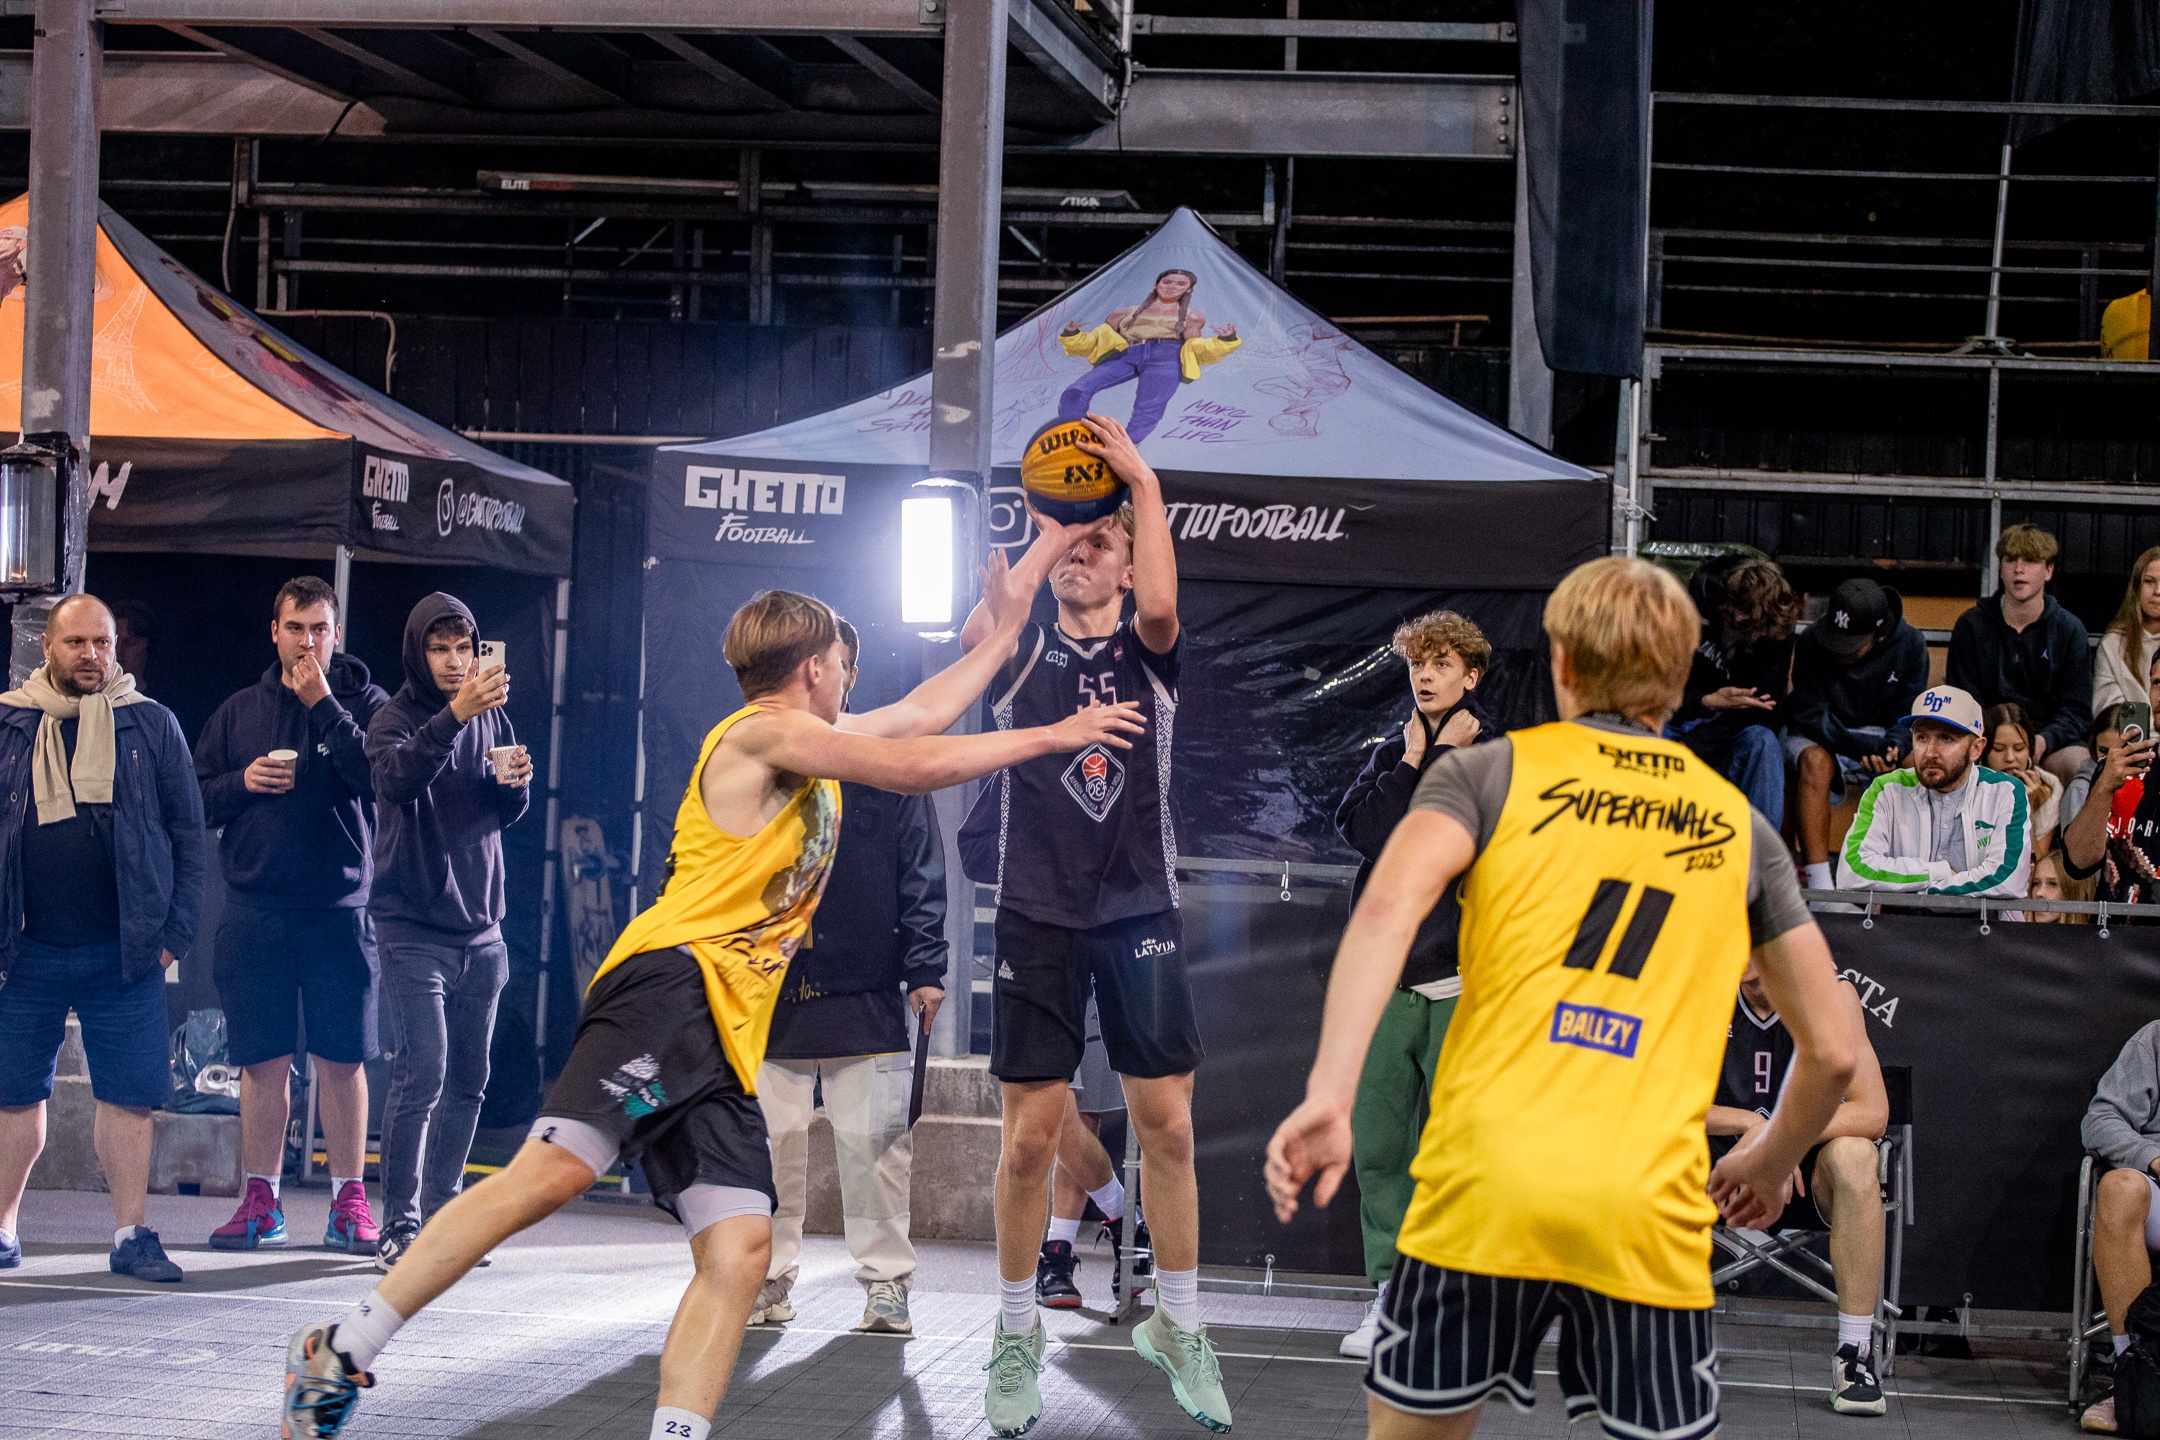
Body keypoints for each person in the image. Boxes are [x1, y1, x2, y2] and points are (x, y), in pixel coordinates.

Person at [278, 575, 1144, 1440]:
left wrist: (1006, 634)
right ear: (814, 668)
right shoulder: (760, 733)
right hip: (669, 990)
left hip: (725, 1034)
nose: (848, 678)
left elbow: (921, 715)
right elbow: (917, 765)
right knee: (552, 1175)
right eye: (839, 662)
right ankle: (341, 1348)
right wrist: (1055, 735)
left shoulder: (807, 737)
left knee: (740, 1248)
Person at [1264, 555, 1855, 1440]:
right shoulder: (1736, 826)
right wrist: (1771, 1159)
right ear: (1681, 676)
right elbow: (1835, 1052)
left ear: (1564, 664)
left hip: (1486, 1178)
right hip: (1640, 1197)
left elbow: (1384, 911)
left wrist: (1329, 1090)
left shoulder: (1490, 774)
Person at [955, 411, 1228, 1437]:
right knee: (1030, 1140)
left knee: (1171, 1127)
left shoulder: (1150, 652)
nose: (1084, 555)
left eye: (1100, 545)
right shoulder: (1019, 650)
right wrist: (1053, 526)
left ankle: (1181, 1326)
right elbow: (979, 638)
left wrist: (1137, 488)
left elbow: (1159, 599)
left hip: (1137, 907)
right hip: (1037, 912)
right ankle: (1016, 1331)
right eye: (1076, 544)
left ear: (1127, 561)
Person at [0, 595, 206, 1281]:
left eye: (103, 642)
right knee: (12, 1093)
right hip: (24, 949)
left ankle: (130, 1234)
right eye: (76, 643)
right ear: (47, 648)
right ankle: (2, 1230)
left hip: (125, 951)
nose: (91, 655)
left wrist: (174, 937)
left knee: (129, 1096)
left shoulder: (151, 723)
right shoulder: (11, 722)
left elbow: (188, 835)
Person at [751, 618, 948, 1337]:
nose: (816, 673)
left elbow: (921, 866)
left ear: (849, 674)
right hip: (770, 989)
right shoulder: (756, 750)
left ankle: (887, 1284)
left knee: (876, 1150)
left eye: (828, 661)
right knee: (768, 1149)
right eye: (806, 660)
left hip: (866, 986)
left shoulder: (886, 757)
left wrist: (926, 966)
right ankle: (765, 1279)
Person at [195, 576, 389, 1255]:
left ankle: (349, 1203)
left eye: (319, 629)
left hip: (340, 910)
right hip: (256, 909)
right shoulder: (239, 711)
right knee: (263, 1062)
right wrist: (242, 782)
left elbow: (380, 780)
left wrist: (323, 704)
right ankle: (262, 1202)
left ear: (337, 635)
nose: (308, 642)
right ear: (274, 632)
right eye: (296, 628)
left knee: (342, 1059)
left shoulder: (367, 704)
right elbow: (195, 799)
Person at [1331, 609, 1496, 1360]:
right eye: (1416, 664)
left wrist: (1445, 760)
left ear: (1472, 675)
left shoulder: (1497, 758)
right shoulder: (1390, 754)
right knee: (1378, 1145)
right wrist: (1415, 760)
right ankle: (1392, 1298)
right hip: (1384, 984)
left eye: (1441, 663)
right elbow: (1370, 835)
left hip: (1464, 983)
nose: (1425, 676)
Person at [364, 594, 530, 1271]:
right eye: (440, 649)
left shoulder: (492, 714)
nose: (455, 661)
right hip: (412, 927)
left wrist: (515, 786)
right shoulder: (394, 719)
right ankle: (398, 1225)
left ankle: (442, 1217)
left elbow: (500, 812)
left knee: (469, 1079)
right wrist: (454, 716)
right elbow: (397, 781)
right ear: (418, 652)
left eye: (463, 648)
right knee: (422, 1071)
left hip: (482, 929)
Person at [1707, 959, 1891, 1415]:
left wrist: (1779, 1137)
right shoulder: (1699, 985)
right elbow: (1661, 1101)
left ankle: (1855, 1356)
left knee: (1856, 1157)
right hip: (1719, 1168)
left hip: (1806, 1175)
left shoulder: (1830, 995)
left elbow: (1871, 1111)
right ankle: (1641, 1334)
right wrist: (1750, 1125)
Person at [1788, 577, 1929, 890]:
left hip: (1878, 734)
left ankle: (1907, 882)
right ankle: (1820, 887)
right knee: (1814, 762)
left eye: (1850, 644)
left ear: (1879, 635)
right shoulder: (1812, 640)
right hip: (1820, 732)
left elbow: (1909, 716)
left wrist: (1894, 747)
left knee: (1916, 766)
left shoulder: (1911, 645)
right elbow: (1809, 714)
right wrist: (1864, 747)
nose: (1838, 649)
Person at [1835, 686, 2032, 902]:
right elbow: (1852, 870)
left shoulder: (2005, 791)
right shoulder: (1887, 789)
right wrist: (1938, 872)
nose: (1930, 752)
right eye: (1921, 738)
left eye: (1946, 739)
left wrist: (1926, 893)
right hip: (1904, 921)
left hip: (1983, 922)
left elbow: (2007, 880)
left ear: (1976, 748)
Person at [1948, 523, 2093, 789]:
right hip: (1985, 742)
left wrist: (2041, 742)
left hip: (2047, 745)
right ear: (2000, 568)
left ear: (2048, 570)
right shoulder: (1971, 626)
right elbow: (1964, 700)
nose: (2019, 569)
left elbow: (2076, 711)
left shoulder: (2069, 629)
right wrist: (1994, 745)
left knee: (2079, 765)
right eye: (2010, 559)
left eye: (2030, 560)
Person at [1669, 554, 1797, 832]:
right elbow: (1657, 694)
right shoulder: (1702, 604)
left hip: (1729, 733)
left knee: (1763, 742)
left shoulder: (1773, 629)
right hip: (1682, 718)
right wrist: (1706, 701)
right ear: (1730, 608)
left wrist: (1695, 744)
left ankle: (1762, 851)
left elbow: (1764, 710)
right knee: (1648, 737)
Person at [2075, 1018, 2160, 1434]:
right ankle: (2134, 1379)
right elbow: (2100, 1120)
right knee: (2119, 1187)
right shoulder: (2155, 1039)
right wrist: (2152, 1158)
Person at [1057, 270, 1242, 443]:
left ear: (1189, 289)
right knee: (1076, 390)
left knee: (1148, 409)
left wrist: (1226, 339)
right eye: (1167, 282)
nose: (1172, 286)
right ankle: (1073, 437)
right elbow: (1098, 340)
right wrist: (1071, 333)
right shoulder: (1123, 313)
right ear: (1156, 284)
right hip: (1128, 353)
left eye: (1180, 284)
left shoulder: (1192, 316)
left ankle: (1124, 447)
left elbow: (1196, 346)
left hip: (1168, 356)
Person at [1035, 1025, 1142, 1312]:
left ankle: (1057, 1252)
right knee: (1057, 1115)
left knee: (1083, 1118)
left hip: (1095, 1001)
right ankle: (1128, 1220)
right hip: (1041, 1000)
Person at [2063, 651, 2160, 907]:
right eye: (2157, 683)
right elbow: (2078, 863)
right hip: (2113, 929)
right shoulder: (2118, 768)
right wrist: (2104, 786)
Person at [1982, 702, 2061, 857]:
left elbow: (2035, 863)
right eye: (1998, 749)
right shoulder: (1965, 786)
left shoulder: (2048, 791)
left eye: (2019, 748)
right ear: (1982, 750)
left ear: (2029, 750)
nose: (2010, 758)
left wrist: (2025, 809)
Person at [2095, 547, 2160, 716]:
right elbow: (2108, 710)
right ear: (2136, 587)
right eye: (2149, 581)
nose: (2157, 591)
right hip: (2129, 732)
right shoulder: (2112, 645)